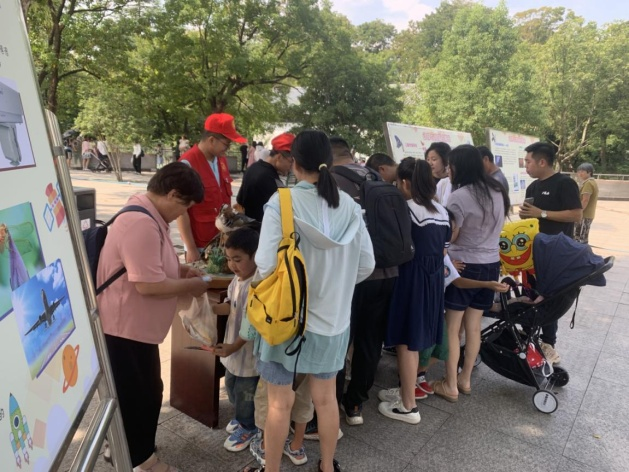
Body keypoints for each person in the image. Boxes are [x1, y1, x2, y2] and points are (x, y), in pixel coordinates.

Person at [250, 130, 375, 472]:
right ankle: (327, 466)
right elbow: (366, 264)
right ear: (330, 162)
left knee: (279, 404)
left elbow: (265, 264)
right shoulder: (351, 207)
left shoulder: (282, 202)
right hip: (333, 320)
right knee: (326, 400)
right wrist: (337, 284)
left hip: (286, 318)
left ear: (294, 162)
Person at [97, 163, 210, 472]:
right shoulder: (141, 222)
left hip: (133, 327)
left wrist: (181, 271)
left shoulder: (146, 213)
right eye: (185, 205)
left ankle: (121, 447)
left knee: (139, 391)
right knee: (141, 396)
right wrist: (191, 286)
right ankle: (143, 461)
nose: (184, 213)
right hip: (124, 329)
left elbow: (148, 266)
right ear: (172, 194)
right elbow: (148, 285)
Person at [329, 139, 400, 427]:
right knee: (371, 341)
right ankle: (355, 403)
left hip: (353, 276)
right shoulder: (376, 177)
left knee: (339, 340)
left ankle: (330, 405)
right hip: (388, 272)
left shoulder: (332, 182)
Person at [377, 158, 450, 424]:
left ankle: (408, 406)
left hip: (411, 278)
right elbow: (443, 250)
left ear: (406, 183)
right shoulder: (442, 211)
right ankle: (406, 391)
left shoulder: (405, 210)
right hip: (433, 280)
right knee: (417, 337)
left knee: (407, 341)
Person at [434, 145, 510, 403]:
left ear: (459, 167)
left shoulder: (459, 196)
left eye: (450, 165)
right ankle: (465, 379)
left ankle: (450, 384)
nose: (448, 170)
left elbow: (453, 235)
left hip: (463, 265)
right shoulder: (497, 190)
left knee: (453, 327)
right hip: (491, 264)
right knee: (474, 326)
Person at [518, 142, 582, 364]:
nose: (526, 166)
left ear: (542, 162)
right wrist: (526, 216)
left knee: (549, 297)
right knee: (530, 293)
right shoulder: (532, 187)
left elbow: (576, 215)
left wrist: (542, 213)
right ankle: (527, 336)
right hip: (532, 253)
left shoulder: (565, 183)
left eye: (528, 162)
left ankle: (548, 343)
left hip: (556, 254)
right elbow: (529, 216)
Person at [209, 228, 260, 452]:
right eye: (229, 259)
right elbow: (229, 306)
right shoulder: (237, 281)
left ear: (256, 256)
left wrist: (234, 346)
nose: (232, 265)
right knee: (230, 384)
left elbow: (253, 326)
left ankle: (249, 426)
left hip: (248, 353)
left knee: (245, 392)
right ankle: (241, 417)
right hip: (233, 349)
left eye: (237, 260)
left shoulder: (258, 285)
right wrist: (208, 308)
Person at [177, 113, 247, 262]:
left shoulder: (221, 160)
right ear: (212, 140)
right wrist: (191, 248)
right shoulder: (187, 164)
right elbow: (181, 212)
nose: (227, 149)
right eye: (226, 144)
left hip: (221, 242)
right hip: (200, 245)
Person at [237, 133, 295, 222]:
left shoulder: (253, 168)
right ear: (279, 157)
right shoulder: (268, 178)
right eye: (291, 161)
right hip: (259, 227)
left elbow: (239, 200)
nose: (292, 167)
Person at [575, 162, 599, 244]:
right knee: (582, 236)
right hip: (588, 214)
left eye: (582, 171)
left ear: (589, 172)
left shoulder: (588, 183)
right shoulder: (592, 182)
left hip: (585, 215)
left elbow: (585, 200)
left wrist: (579, 212)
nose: (580, 173)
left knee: (580, 237)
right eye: (579, 171)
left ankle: (581, 251)